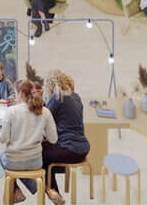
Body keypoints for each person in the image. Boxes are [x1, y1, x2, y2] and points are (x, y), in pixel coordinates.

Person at [0, 80, 56, 203]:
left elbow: (3, 139)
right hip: (35, 161)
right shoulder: (45, 111)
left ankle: (16, 191)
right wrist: (40, 134)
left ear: (20, 93)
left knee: (2, 157)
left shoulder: (11, 111)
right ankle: (45, 188)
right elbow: (53, 139)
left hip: (13, 161)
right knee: (21, 163)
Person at [41, 72, 88, 205]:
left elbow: (44, 118)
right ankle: (53, 189)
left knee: (38, 152)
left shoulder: (57, 97)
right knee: (48, 153)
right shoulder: (76, 97)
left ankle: (53, 192)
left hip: (69, 150)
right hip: (83, 148)